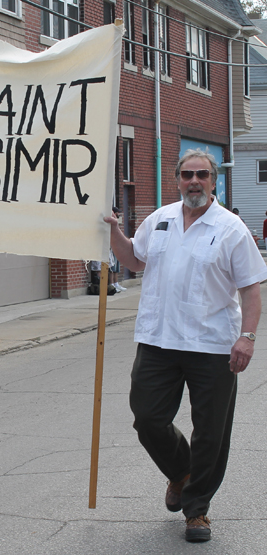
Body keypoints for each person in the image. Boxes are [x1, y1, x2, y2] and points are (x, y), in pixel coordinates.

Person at [104, 149, 267, 543]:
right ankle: (181, 471)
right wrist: (112, 231)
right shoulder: (158, 219)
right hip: (158, 339)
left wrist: (247, 337)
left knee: (210, 431)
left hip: (212, 345)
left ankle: (197, 510)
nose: (194, 181)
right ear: (177, 179)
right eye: (187, 175)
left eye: (202, 175)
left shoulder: (231, 229)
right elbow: (135, 260)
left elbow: (250, 289)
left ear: (214, 181)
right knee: (147, 417)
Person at [109, 207, 126, 292]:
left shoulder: (116, 223)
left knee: (116, 267)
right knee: (112, 267)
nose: (119, 215)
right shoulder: (110, 222)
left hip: (117, 247)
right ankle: (112, 285)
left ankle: (116, 283)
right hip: (111, 248)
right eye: (117, 213)